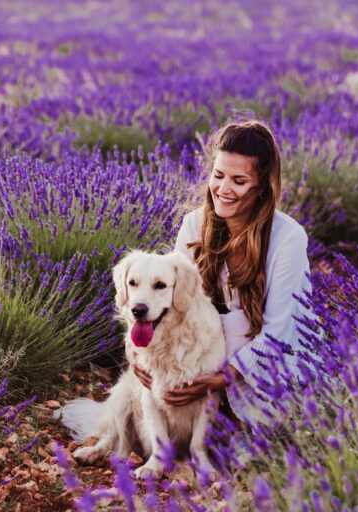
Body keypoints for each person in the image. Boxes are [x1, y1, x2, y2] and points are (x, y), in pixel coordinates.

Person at [132, 119, 315, 427]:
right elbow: (170, 303)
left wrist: (219, 379)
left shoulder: (288, 239)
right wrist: (137, 353)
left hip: (272, 361)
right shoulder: (194, 224)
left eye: (239, 181)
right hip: (209, 356)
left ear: (262, 187)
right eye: (218, 176)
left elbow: (278, 332)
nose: (223, 189)